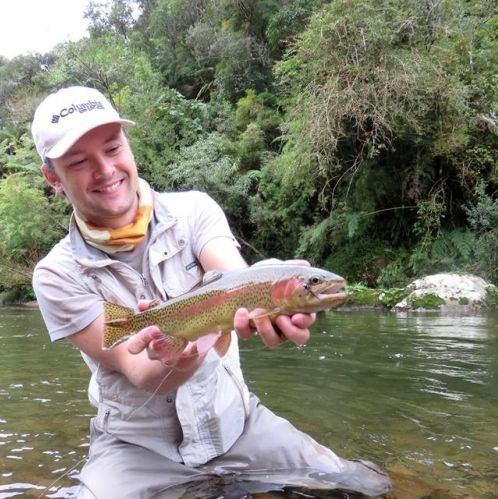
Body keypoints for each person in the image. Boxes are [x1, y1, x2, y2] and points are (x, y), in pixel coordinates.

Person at [30, 86, 391, 498]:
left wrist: (272, 290)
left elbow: (236, 278)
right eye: (79, 162)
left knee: (363, 488)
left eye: (113, 148)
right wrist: (182, 354)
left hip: (237, 425)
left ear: (128, 146)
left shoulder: (194, 210)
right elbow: (145, 375)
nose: (105, 169)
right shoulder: (55, 275)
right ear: (53, 177)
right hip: (137, 450)